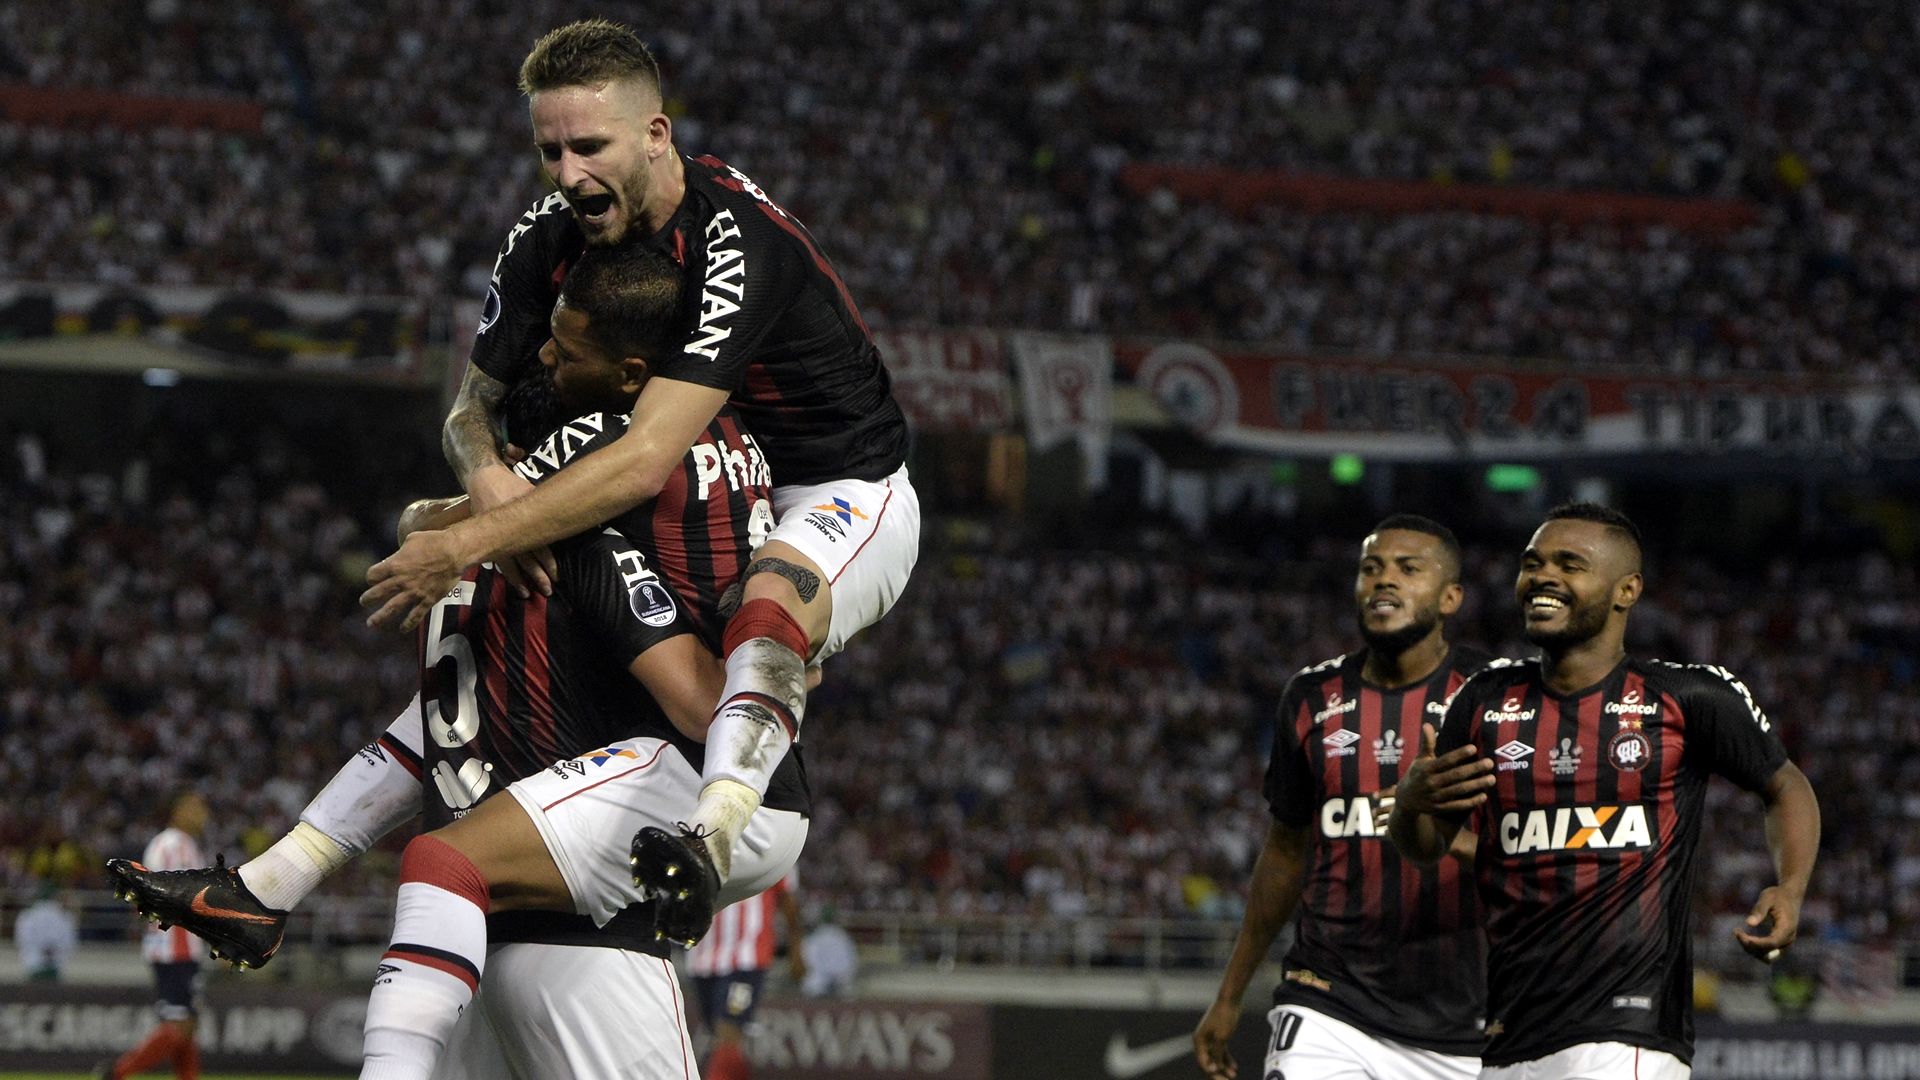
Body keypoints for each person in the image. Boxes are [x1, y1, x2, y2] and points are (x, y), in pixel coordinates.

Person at [111, 245, 809, 1080]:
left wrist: (464, 518)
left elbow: (430, 528)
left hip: (691, 790)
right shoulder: (695, 455)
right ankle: (268, 890)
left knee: (445, 854)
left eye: (564, 350)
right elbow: (433, 716)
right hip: (560, 863)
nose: (549, 355)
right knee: (458, 755)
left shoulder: (598, 481)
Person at [359, 19, 922, 944]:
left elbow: (644, 458)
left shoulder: (735, 241)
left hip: (839, 490)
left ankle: (711, 834)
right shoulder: (548, 235)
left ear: (657, 136)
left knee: (769, 608)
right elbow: (469, 411)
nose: (568, 173)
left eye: (591, 146)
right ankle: (283, 876)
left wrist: (459, 540)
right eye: (550, 150)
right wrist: (493, 489)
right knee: (502, 642)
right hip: (712, 487)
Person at [1390, 503, 1821, 1080]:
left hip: (1628, 1032)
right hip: (1509, 1032)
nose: (1544, 576)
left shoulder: (1685, 697)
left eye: (1570, 565)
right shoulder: (1482, 701)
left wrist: (1790, 888)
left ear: (1626, 590)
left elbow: (1784, 783)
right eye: (1533, 563)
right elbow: (1423, 845)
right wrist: (1413, 804)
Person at [1195, 515, 1490, 1080]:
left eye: (1408, 569)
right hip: (1328, 1004)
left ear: (1451, 596)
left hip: (1464, 1024)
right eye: (1371, 569)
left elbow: (1530, 853)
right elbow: (1284, 851)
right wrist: (1230, 994)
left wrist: (1440, 834)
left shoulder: (1494, 697)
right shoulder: (1309, 699)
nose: (1385, 582)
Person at [103, 792, 210, 1080]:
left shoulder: (179, 844)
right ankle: (116, 1073)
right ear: (178, 810)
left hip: (178, 945)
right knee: (181, 1025)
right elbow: (179, 898)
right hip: (175, 945)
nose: (204, 813)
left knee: (186, 1026)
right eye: (196, 806)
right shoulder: (173, 845)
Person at [686, 873, 804, 1080]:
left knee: (729, 1029)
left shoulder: (772, 841)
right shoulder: (700, 840)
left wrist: (796, 950)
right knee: (719, 1035)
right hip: (703, 959)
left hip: (747, 960)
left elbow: (787, 898)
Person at [14, 880, 78, 982]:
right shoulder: (65, 917)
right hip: (56, 965)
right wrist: (53, 951)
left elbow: (21, 940)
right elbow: (70, 942)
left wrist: (39, 951)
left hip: (33, 964)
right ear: (55, 896)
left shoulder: (27, 916)